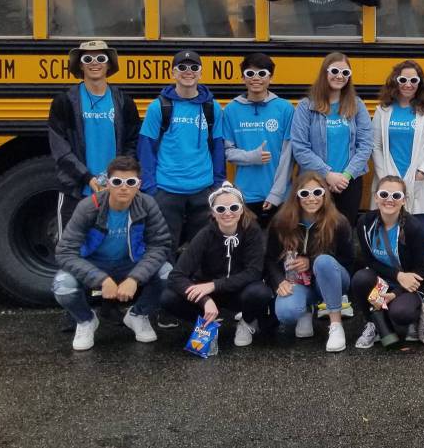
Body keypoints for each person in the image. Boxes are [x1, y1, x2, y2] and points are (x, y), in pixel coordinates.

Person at [52, 156, 171, 351]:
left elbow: (160, 245)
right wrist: (100, 279)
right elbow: (65, 252)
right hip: (94, 264)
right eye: (117, 182)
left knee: (168, 274)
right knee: (62, 285)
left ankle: (137, 315)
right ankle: (86, 320)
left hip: (130, 263)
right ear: (108, 183)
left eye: (130, 182)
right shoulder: (88, 207)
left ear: (138, 185)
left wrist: (134, 278)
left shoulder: (148, 204)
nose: (124, 187)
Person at [160, 182, 273, 348]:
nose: (228, 213)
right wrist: (205, 300)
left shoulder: (252, 231)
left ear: (242, 209)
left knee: (260, 292)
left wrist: (214, 285)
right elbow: (176, 276)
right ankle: (208, 323)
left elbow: (254, 272)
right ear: (213, 212)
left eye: (234, 207)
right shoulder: (205, 234)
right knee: (168, 297)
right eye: (221, 209)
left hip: (238, 291)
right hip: (209, 293)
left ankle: (247, 322)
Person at [49, 40, 141, 238]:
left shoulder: (124, 102)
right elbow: (60, 150)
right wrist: (87, 178)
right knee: (70, 250)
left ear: (108, 65)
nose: (94, 62)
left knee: (110, 249)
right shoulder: (64, 102)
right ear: (80, 65)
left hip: (114, 190)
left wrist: (118, 178)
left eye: (101, 58)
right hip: (76, 190)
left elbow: (132, 142)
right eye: (87, 58)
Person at [138, 50, 226, 250]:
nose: (188, 72)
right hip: (166, 189)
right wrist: (151, 188)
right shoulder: (159, 107)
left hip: (203, 189)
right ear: (173, 73)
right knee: (163, 247)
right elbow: (146, 149)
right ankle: (167, 281)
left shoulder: (212, 107)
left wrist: (217, 185)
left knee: (201, 249)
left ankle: (196, 281)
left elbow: (218, 148)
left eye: (194, 67)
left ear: (201, 73)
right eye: (182, 67)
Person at [266, 172, 354, 352]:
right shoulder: (281, 221)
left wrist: (310, 261)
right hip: (297, 281)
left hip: (331, 281)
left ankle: (336, 325)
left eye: (317, 193)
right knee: (286, 313)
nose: (311, 198)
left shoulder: (338, 221)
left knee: (323, 262)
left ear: (325, 194)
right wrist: (278, 281)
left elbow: (348, 261)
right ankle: (306, 309)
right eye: (304, 194)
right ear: (296, 196)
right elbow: (270, 258)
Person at [290, 52, 372, 225]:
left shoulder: (357, 105)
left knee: (344, 231)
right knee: (314, 230)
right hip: (314, 182)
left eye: (345, 73)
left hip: (348, 183)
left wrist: (346, 176)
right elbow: (300, 147)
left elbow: (365, 145)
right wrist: (327, 174)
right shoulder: (306, 106)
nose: (339, 76)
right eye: (334, 71)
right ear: (325, 73)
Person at [351, 176, 424, 348]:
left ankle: (413, 319)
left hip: (410, 285)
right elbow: (369, 260)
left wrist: (396, 291)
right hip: (383, 281)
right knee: (360, 278)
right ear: (376, 197)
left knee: (401, 313)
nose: (389, 199)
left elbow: (423, 268)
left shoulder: (413, 227)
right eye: (384, 194)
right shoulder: (365, 223)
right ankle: (373, 323)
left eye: (396, 196)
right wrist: (397, 275)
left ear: (403, 200)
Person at [222, 53, 295, 227]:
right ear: (242, 78)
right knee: (247, 249)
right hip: (244, 194)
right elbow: (226, 151)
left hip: (280, 195)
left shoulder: (285, 108)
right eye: (250, 74)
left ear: (271, 78)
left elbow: (289, 155)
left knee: (279, 250)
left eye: (262, 73)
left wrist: (276, 194)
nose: (256, 78)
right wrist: (250, 157)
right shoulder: (231, 110)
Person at [371, 60, 424, 231]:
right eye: (403, 80)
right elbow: (375, 146)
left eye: (413, 81)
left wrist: (422, 171)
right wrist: (385, 177)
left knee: (417, 236)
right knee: (389, 233)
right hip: (389, 178)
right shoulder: (383, 110)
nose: (408, 85)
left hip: (420, 181)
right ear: (395, 81)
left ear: (420, 83)